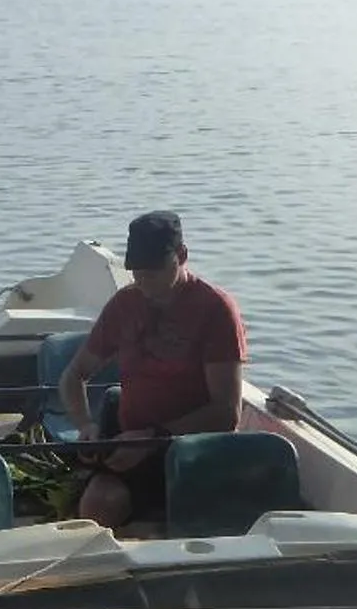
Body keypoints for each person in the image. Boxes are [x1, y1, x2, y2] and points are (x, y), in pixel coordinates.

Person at [60, 211, 247, 530]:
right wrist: (86, 425)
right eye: (137, 273)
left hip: (193, 449)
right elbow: (73, 375)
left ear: (182, 256)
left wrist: (154, 437)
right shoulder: (125, 304)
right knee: (97, 506)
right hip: (128, 446)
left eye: (155, 271)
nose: (144, 282)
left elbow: (227, 413)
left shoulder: (215, 309)